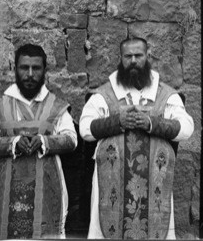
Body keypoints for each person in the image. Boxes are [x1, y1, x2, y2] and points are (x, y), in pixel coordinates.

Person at [79, 37, 194, 239]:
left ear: (148, 56)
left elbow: (186, 128)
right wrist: (118, 121)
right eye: (128, 56)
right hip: (111, 182)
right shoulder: (104, 95)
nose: (133, 61)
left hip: (155, 184)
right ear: (120, 58)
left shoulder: (166, 95)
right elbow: (85, 129)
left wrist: (151, 123)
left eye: (138, 55)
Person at [0, 43, 77, 239]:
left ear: (45, 71)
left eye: (36, 68)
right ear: (15, 69)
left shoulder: (56, 106)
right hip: (8, 191)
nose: (30, 74)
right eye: (24, 68)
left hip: (47, 191)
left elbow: (71, 139)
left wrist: (44, 142)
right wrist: (13, 143)